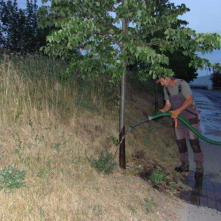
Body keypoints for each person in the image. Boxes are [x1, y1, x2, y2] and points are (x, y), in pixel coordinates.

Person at [156, 76, 204, 178]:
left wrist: (177, 111)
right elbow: (168, 105)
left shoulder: (182, 84)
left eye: (162, 81)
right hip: (178, 118)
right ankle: (185, 164)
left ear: (168, 78)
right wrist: (161, 112)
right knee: (180, 142)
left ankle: (199, 167)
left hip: (190, 115)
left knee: (194, 142)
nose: (161, 84)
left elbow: (189, 100)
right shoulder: (166, 88)